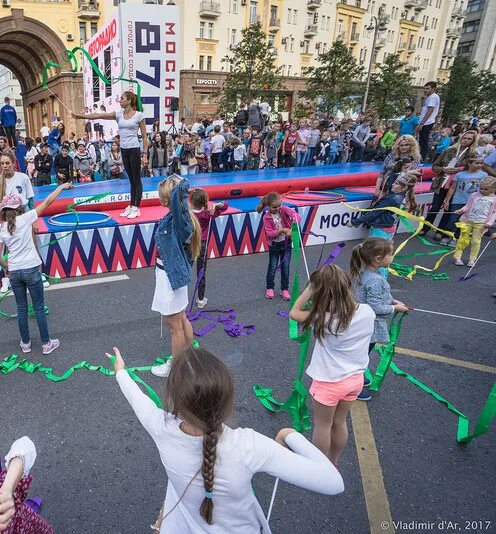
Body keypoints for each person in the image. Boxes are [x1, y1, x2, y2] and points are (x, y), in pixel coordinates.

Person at [109, 345, 343, 532]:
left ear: (174, 401)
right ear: (227, 398)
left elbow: (137, 399)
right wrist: (291, 436)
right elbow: (333, 482)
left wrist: (121, 371)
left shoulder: (161, 427)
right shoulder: (249, 446)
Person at [289, 265, 375, 461]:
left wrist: (311, 287)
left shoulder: (323, 319)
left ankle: (320, 467)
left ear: (321, 293)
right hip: (355, 380)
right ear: (346, 286)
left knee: (323, 426)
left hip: (329, 383)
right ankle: (334, 461)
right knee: (339, 422)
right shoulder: (367, 311)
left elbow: (295, 312)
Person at [0, 182, 73, 356]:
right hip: (31, 268)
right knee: (38, 307)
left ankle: (26, 343)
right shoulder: (26, 218)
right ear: (19, 208)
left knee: (21, 308)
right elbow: (48, 202)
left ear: (3, 210)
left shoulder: (0, 228)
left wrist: (8, 267)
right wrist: (62, 187)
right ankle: (46, 343)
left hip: (15, 271)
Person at [150, 176, 201, 378]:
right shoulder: (181, 219)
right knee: (181, 319)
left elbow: (180, 194)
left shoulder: (181, 221)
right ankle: (190, 359)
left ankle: (176, 367)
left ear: (167, 201)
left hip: (169, 279)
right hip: (173, 277)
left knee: (175, 327)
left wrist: (178, 187)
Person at [349, 238, 410, 401]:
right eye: (390, 254)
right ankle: (353, 388)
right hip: (368, 326)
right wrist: (393, 308)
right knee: (360, 358)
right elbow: (374, 307)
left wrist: (392, 300)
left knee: (360, 355)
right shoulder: (376, 279)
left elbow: (373, 296)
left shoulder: (363, 273)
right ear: (377, 258)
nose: (392, 257)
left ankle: (357, 380)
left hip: (359, 323)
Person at [73, 91, 149, 219]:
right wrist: (81, 117)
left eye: (122, 98)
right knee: (131, 180)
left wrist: (145, 154)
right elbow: (100, 115)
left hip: (134, 149)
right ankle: (131, 205)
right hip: (124, 150)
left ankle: (136, 207)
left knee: (137, 179)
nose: (120, 100)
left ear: (129, 100)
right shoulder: (118, 115)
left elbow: (145, 137)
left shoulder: (139, 116)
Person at [0, 151, 37, 294]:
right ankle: (7, 278)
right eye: (2, 163)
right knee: (8, 250)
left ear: (13, 163)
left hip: (24, 216)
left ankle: (37, 274)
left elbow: (30, 200)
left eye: (7, 163)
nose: (5, 166)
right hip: (7, 219)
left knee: (33, 244)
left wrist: (34, 221)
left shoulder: (23, 178)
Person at [426, 129, 478, 239]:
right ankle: (425, 228)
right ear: (461, 138)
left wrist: (461, 170)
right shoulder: (449, 150)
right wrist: (444, 169)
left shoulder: (473, 155)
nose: (466, 140)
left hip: (457, 186)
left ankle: (441, 231)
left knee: (448, 209)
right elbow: (434, 166)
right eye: (464, 138)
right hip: (441, 183)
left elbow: (474, 171)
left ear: (473, 141)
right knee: (435, 207)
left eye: (469, 139)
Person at [349, 171, 418, 245]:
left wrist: (354, 222)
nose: (392, 184)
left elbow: (375, 213)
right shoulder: (402, 197)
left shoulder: (392, 199)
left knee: (373, 252)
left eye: (396, 184)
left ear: (404, 188)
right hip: (388, 229)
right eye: (394, 182)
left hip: (380, 231)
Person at [257, 192, 300, 301]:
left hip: (286, 244)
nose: (278, 208)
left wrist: (293, 226)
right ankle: (270, 287)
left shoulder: (284, 209)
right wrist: (281, 231)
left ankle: (284, 289)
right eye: (274, 207)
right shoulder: (266, 218)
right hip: (274, 245)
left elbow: (297, 217)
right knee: (272, 267)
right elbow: (269, 234)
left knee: (285, 267)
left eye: (279, 206)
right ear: (268, 206)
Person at [190, 188, 227, 309]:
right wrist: (216, 205)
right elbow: (225, 206)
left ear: (191, 201)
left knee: (186, 269)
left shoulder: (188, 213)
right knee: (201, 271)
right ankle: (200, 299)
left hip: (189, 243)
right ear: (204, 202)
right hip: (202, 244)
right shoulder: (207, 214)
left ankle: (180, 298)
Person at [441, 157, 489, 244]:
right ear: (469, 164)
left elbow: (486, 188)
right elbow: (452, 188)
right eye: (476, 163)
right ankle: (446, 236)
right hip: (458, 201)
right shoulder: (460, 175)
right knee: (453, 219)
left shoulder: (484, 175)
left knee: (464, 221)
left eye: (481, 163)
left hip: (473, 203)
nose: (479, 165)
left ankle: (456, 238)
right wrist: (447, 200)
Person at [452, 177, 496, 266]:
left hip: (481, 223)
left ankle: (472, 259)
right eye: (481, 188)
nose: (482, 190)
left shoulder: (494, 199)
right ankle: (457, 257)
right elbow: (468, 206)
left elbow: (494, 213)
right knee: (463, 239)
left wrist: (489, 223)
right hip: (468, 220)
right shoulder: (474, 195)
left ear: (493, 189)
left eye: (486, 189)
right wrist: (461, 210)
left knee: (476, 241)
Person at [416, 81, 441, 161]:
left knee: (423, 142)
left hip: (427, 123)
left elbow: (430, 111)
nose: (425, 90)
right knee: (422, 141)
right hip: (426, 122)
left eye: (427, 88)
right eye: (424, 89)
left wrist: (422, 123)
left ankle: (422, 158)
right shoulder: (430, 97)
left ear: (433, 89)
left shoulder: (433, 97)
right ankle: (421, 157)